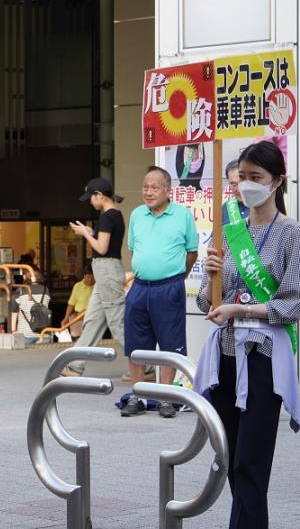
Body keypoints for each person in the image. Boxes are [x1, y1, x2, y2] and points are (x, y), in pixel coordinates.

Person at [194, 141, 300, 529]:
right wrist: (210, 275)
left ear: (277, 181)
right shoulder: (228, 234)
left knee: (251, 463)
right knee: (230, 457)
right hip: (226, 357)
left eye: (256, 178)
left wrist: (241, 310)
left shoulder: (295, 235)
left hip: (264, 359)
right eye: (241, 177)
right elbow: (205, 303)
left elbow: (291, 306)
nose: (247, 185)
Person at [122, 166, 198, 418]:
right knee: (135, 344)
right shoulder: (136, 215)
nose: (149, 192)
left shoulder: (182, 215)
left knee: (169, 343)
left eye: (155, 187)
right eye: (145, 187)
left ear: (168, 190)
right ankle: (138, 394)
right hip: (140, 287)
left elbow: (192, 252)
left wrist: (176, 278)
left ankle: (166, 397)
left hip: (169, 288)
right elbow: (134, 250)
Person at [64, 178, 127, 374]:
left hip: (107, 271)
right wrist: (89, 230)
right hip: (105, 271)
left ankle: (147, 364)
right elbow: (105, 241)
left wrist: (85, 234)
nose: (90, 202)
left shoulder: (108, 216)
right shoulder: (114, 215)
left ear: (99, 195)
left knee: (117, 322)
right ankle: (75, 365)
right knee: (92, 320)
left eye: (91, 197)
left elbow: (101, 247)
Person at [10, 267, 51, 346]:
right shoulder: (46, 290)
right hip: (43, 333)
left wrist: (13, 330)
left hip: (25, 334)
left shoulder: (20, 290)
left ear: (25, 277)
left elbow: (14, 312)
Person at [61, 263, 94, 340]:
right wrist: (66, 318)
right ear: (84, 275)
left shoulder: (97, 287)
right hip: (78, 319)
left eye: (93, 278)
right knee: (77, 340)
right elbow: (71, 303)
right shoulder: (78, 286)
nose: (90, 280)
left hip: (92, 318)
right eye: (88, 277)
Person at [222, 159, 249, 223]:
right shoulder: (227, 208)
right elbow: (216, 233)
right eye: (234, 184)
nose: (239, 190)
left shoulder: (264, 208)